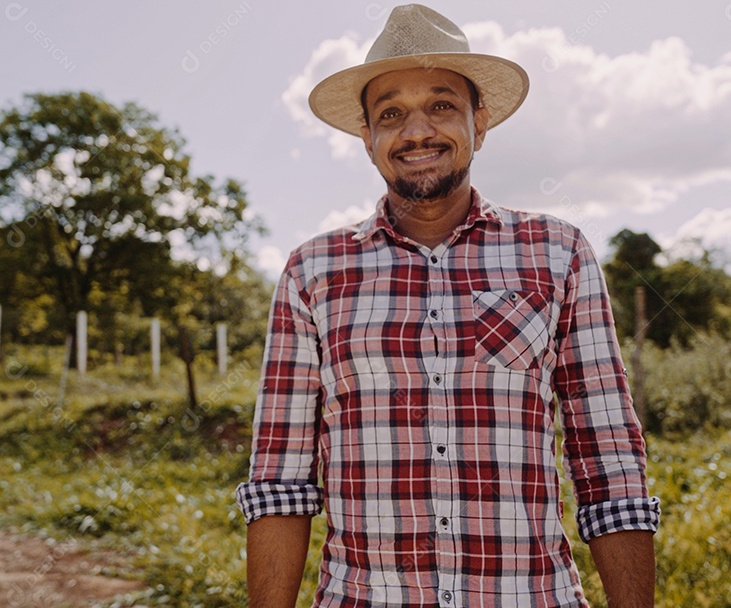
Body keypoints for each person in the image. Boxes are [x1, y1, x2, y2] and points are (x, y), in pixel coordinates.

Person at [235, 5, 660, 607]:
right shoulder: (314, 271)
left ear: (478, 123)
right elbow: (280, 478)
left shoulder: (557, 251)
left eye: (440, 105)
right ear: (368, 139)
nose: (416, 132)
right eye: (390, 114)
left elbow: (607, 455)